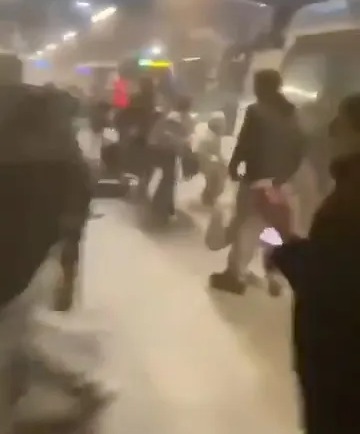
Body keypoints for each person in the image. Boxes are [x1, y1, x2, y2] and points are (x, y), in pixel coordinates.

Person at [0, 65, 92, 429]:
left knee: (14, 335)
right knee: (17, 332)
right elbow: (79, 190)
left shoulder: (44, 122)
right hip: (37, 254)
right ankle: (74, 389)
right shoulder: (51, 126)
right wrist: (70, 260)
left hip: (24, 256)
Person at [268, 93, 360, 434]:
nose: (332, 129)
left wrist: (282, 235)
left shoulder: (350, 201)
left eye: (342, 122)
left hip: (341, 365)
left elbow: (327, 283)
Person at [210, 69, 304, 294]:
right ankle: (275, 274)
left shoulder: (256, 110)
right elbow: (300, 145)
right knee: (274, 226)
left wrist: (234, 167)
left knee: (248, 226)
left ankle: (235, 275)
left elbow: (245, 142)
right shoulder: (291, 112)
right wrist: (285, 176)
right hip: (282, 181)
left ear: (262, 86)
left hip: (257, 179)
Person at [149, 95, 195, 220]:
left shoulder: (168, 116)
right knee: (169, 178)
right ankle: (161, 207)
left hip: (159, 150)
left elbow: (156, 134)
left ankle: (164, 206)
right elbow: (182, 139)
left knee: (169, 178)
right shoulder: (181, 119)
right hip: (168, 152)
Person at [197, 112, 227, 206]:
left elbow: (217, 152)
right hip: (205, 162)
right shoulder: (208, 136)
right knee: (216, 180)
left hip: (211, 163)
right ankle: (208, 198)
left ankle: (209, 197)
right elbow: (200, 151)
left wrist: (222, 161)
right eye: (221, 124)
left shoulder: (215, 136)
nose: (223, 126)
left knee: (218, 179)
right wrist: (214, 159)